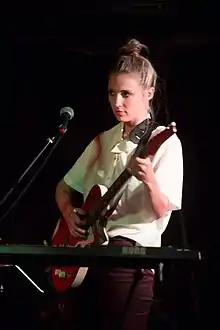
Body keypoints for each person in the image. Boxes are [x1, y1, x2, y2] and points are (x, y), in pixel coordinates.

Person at [55, 38, 183, 330]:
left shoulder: (165, 142)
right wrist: (68, 213)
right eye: (112, 93)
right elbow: (63, 187)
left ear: (149, 93)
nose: (116, 103)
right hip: (86, 252)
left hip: (129, 254)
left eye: (126, 94)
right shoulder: (102, 140)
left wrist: (150, 179)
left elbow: (162, 210)